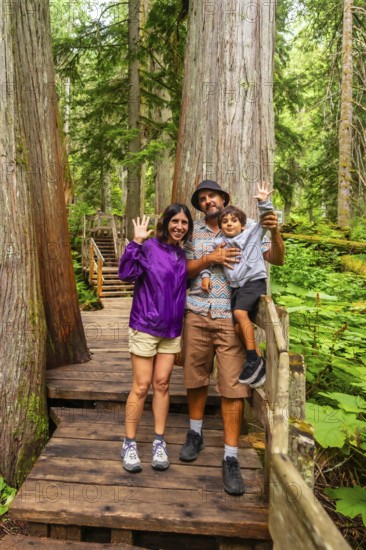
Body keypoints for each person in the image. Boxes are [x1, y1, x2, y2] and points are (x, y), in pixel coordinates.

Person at [179, 180, 284, 496]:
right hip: (197, 312)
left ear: (225, 199)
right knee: (195, 378)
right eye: (202, 199)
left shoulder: (247, 226)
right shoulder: (192, 232)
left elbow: (276, 258)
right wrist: (209, 261)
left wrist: (276, 232)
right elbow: (181, 270)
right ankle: (195, 433)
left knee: (232, 387)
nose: (208, 201)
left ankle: (231, 457)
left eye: (212, 196)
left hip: (229, 317)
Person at [118, 205, 193, 473]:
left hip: (172, 331)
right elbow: (126, 275)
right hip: (145, 325)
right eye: (175, 221)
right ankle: (129, 443)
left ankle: (159, 442)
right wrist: (135, 242)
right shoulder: (149, 247)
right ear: (165, 223)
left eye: (184, 222)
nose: (179, 226)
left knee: (162, 384)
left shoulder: (182, 254)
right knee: (141, 385)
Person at [200, 183, 275, 389]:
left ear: (242, 225)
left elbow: (265, 222)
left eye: (234, 221)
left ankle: (251, 358)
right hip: (237, 288)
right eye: (225, 221)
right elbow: (208, 260)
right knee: (236, 327)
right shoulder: (220, 243)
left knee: (241, 314)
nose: (229, 224)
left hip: (253, 282)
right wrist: (206, 275)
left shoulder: (251, 234)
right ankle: (259, 361)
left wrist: (263, 201)